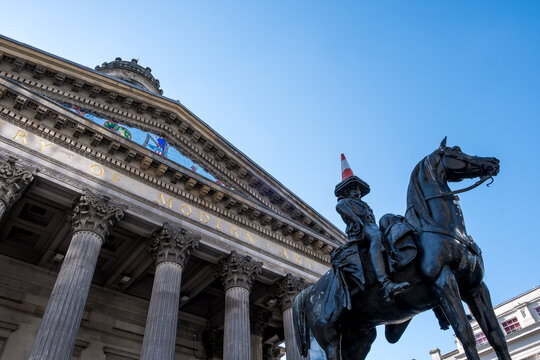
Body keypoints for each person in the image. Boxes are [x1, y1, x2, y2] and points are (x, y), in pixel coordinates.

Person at [334, 154, 409, 303]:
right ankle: (384, 282)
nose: (357, 191)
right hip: (360, 232)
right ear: (346, 191)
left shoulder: (365, 205)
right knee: (376, 236)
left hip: (371, 227)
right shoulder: (343, 204)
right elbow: (352, 218)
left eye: (358, 189)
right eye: (353, 189)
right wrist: (357, 221)